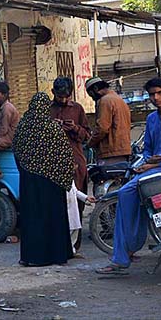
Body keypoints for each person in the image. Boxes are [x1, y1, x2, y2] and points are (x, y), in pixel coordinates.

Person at [97, 78, 161, 275]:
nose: (156, 98)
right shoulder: (151, 119)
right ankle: (126, 252)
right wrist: (147, 162)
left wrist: (158, 162)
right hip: (154, 171)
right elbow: (148, 149)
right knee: (128, 194)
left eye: (159, 93)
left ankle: (127, 251)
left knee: (130, 191)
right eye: (152, 94)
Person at [13, 93, 74, 267]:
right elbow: (65, 154)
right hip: (52, 183)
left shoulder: (23, 127)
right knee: (54, 217)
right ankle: (57, 255)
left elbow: (15, 149)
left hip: (30, 182)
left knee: (32, 218)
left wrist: (27, 170)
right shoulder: (52, 128)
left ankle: (33, 257)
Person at [49, 77, 91, 250]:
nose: (63, 100)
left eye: (66, 96)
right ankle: (59, 244)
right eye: (60, 96)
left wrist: (74, 128)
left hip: (75, 159)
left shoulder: (78, 109)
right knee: (56, 204)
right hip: (53, 161)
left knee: (77, 204)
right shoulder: (47, 110)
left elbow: (88, 136)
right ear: (53, 94)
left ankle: (75, 244)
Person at [86, 77, 132, 164]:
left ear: (95, 89)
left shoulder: (105, 101)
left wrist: (90, 143)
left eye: (91, 94)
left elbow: (102, 128)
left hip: (111, 151)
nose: (92, 98)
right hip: (123, 149)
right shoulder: (118, 99)